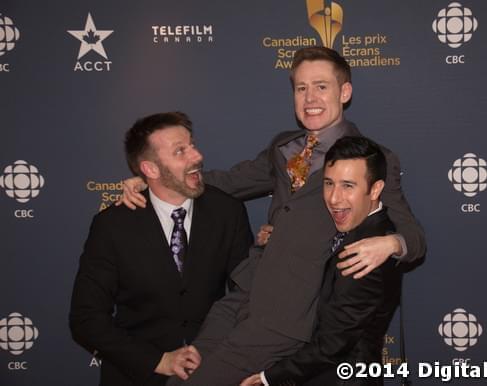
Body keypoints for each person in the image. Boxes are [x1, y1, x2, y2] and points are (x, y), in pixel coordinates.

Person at [123, 47, 425, 385]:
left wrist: (390, 243)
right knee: (182, 375)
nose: (310, 97)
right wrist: (157, 178)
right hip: (243, 294)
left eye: (321, 86)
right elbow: (229, 182)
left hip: (288, 315)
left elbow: (414, 238)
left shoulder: (374, 157)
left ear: (345, 92)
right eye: (301, 88)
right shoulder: (284, 147)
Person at [69, 112, 253, 386]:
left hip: (212, 372)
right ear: (150, 169)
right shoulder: (112, 226)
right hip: (135, 376)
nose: (196, 156)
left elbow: (247, 297)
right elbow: (86, 319)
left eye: (192, 145)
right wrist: (157, 361)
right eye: (181, 151)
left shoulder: (228, 212)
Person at [242, 136, 403, 386]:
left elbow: (333, 345)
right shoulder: (361, 225)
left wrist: (268, 378)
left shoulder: (365, 254)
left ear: (376, 189)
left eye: (348, 186)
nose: (334, 198)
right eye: (329, 183)